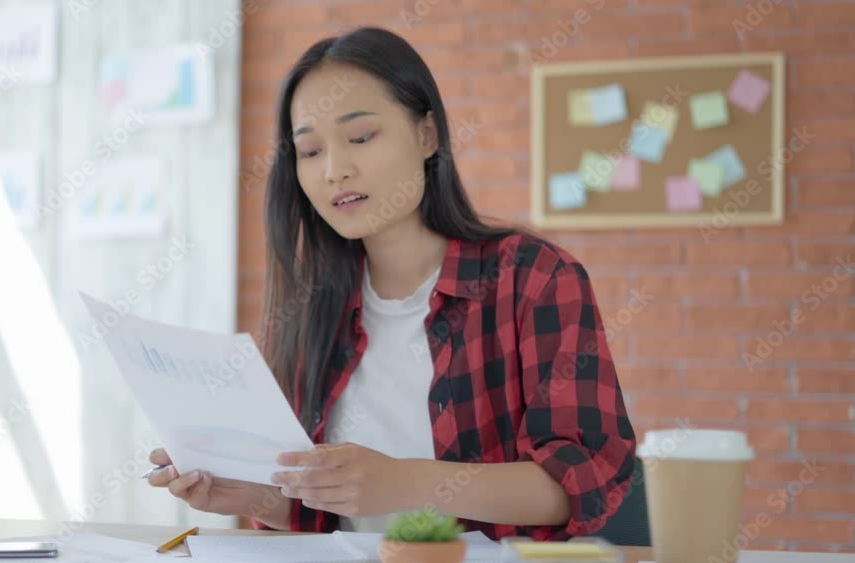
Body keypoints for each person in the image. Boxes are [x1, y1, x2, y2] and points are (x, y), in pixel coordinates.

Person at [147, 26, 636, 541]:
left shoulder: (535, 279)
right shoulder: (307, 306)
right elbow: (324, 517)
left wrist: (406, 481)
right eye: (310, 151)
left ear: (427, 134)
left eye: (360, 137)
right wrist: (256, 499)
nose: (336, 170)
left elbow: (582, 482)